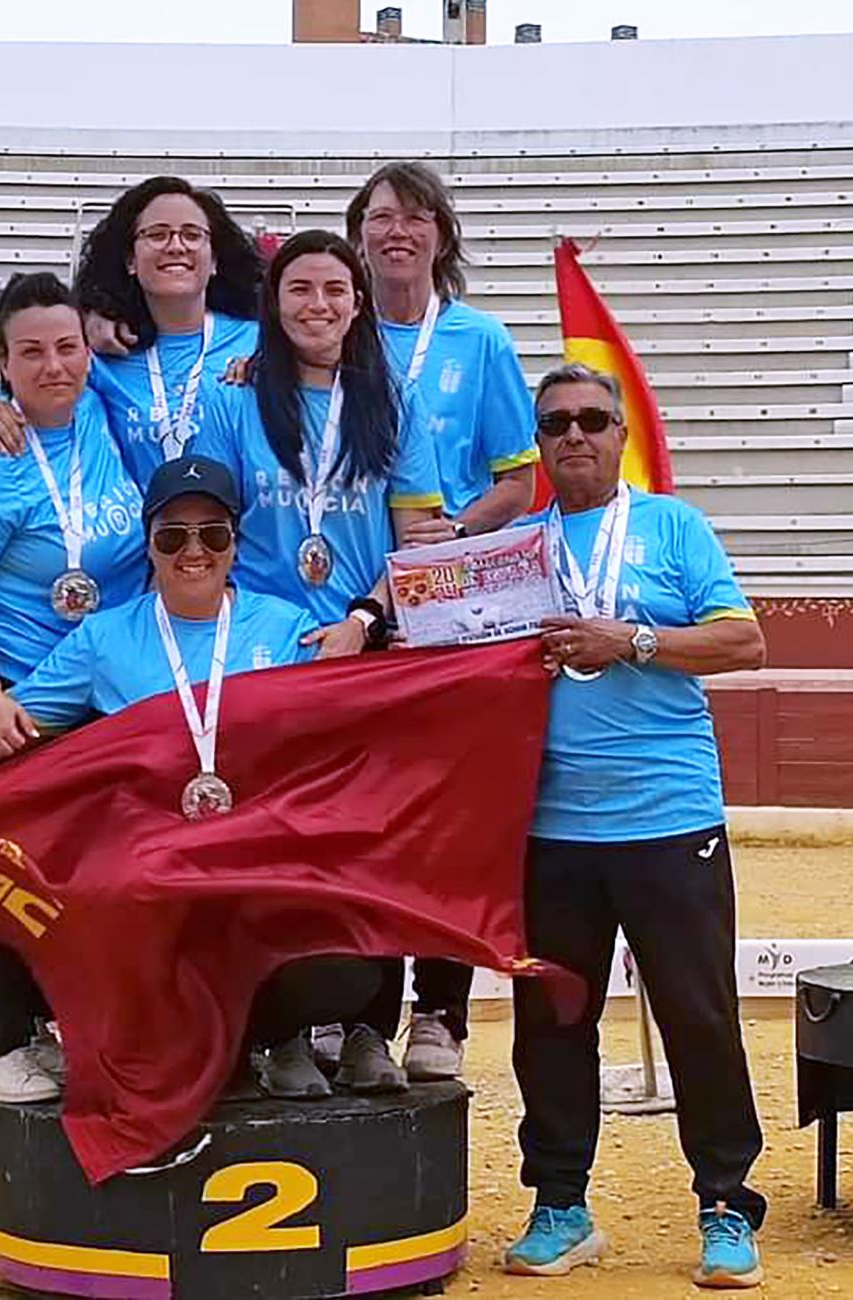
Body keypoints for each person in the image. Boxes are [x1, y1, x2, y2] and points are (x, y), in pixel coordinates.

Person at [0, 455, 383, 1102]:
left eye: (213, 534)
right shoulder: (106, 639)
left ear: (236, 544)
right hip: (156, 887)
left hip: (255, 876)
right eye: (172, 535)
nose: (193, 551)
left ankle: (270, 1036)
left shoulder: (286, 628)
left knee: (347, 974)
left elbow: (358, 729)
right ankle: (209, 1046)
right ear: (148, 546)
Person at [502, 362, 768, 1289]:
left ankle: (728, 1205)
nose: (574, 435)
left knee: (699, 1016)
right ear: (538, 445)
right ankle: (561, 1203)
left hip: (669, 816)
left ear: (622, 435)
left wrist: (634, 640)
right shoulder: (513, 549)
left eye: (591, 420)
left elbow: (745, 641)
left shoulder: (673, 527)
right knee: (550, 1023)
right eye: (555, 425)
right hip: (551, 829)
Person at [194, 229, 444, 1092]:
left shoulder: (393, 402)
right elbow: (210, 529)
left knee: (376, 850)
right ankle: (284, 1034)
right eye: (300, 289)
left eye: (336, 290)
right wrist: (254, 630)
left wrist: (367, 616)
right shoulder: (233, 401)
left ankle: (373, 1027)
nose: (318, 306)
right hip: (264, 661)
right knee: (271, 854)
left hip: (364, 655)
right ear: (274, 303)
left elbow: (419, 538)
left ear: (359, 302)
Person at [341, 160, 541, 1084]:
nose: (397, 232)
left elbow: (518, 479)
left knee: (452, 815)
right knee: (369, 813)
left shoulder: (481, 340)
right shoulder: (330, 337)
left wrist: (451, 534)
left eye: (415, 217)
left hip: (458, 601)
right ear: (359, 233)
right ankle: (362, 1015)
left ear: (440, 236)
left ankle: (442, 1012)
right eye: (381, 217)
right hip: (357, 602)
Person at [0, 270, 145, 1105]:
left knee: (82, 868)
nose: (55, 366)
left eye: (66, 347)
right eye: (30, 354)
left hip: (94, 683)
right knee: (2, 858)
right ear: (4, 366)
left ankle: (61, 1025)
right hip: (9, 680)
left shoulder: (105, 408)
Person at [0, 176, 262, 489]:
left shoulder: (258, 341)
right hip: (129, 536)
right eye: (157, 235)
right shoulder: (103, 350)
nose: (175, 246)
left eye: (192, 234)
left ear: (213, 260)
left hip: (232, 537)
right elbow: (25, 400)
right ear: (130, 260)